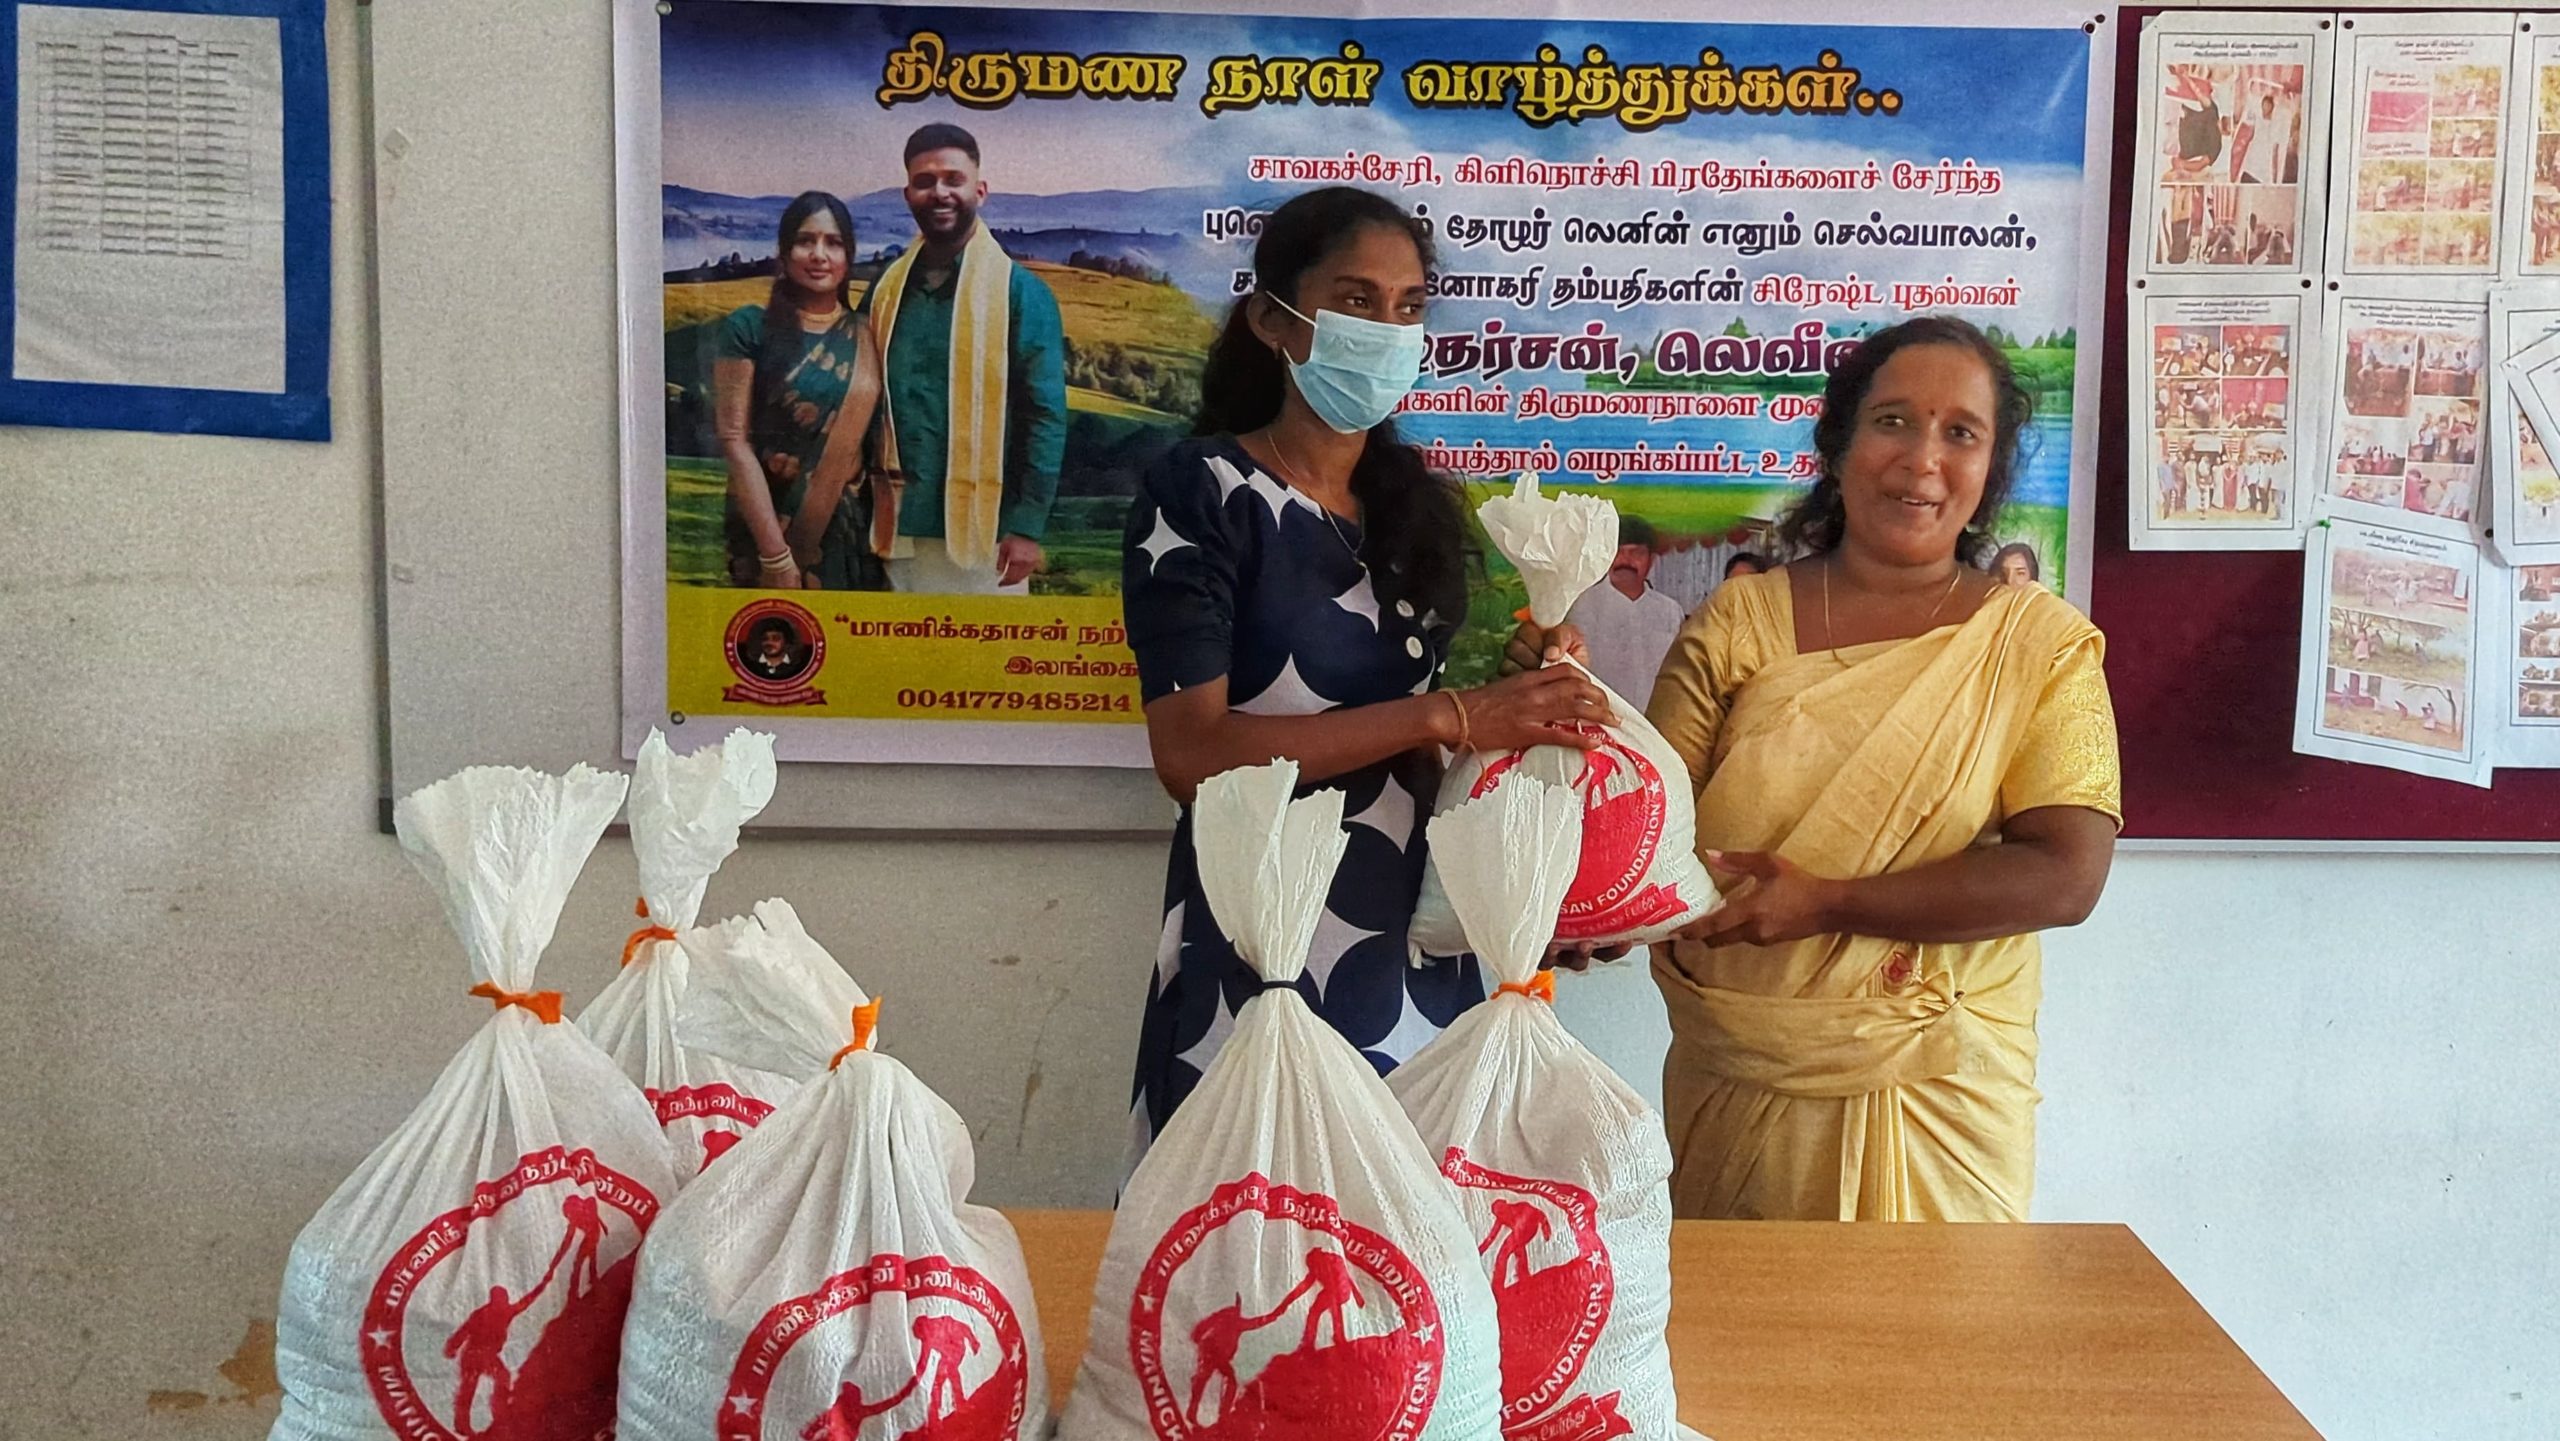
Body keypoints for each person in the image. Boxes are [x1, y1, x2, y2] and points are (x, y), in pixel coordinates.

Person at [1116, 186, 1610, 1158]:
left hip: (1412, 937)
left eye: (1408, 306)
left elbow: (1445, 728)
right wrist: (1449, 714)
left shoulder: (1414, 506)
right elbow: (1192, 758)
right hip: (1263, 933)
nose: (1386, 330)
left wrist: (1519, 686)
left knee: (1406, 1221)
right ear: (1272, 320)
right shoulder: (1204, 489)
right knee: (1252, 1210)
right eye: (1354, 300)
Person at [1642, 316, 2122, 1222]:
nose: (1922, 459)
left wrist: (1828, 903)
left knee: (1941, 1317)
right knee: (1740, 1313)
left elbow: (2068, 875)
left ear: (1989, 470)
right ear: (1839, 444)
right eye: (1893, 421)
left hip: (1944, 1092)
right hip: (1742, 1074)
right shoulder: (1738, 624)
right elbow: (1649, 834)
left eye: (1960, 432)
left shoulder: (2038, 645)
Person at [864, 123, 1068, 595]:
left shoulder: (1021, 293)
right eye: (924, 181)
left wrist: (1027, 526)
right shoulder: (884, 291)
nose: (940, 192)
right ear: (908, 195)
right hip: (895, 529)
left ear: (980, 190)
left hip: (988, 537)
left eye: (953, 179)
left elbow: (1045, 416)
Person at [715, 191, 885, 591]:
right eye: (805, 241)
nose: (819, 255)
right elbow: (734, 440)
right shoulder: (750, 327)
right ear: (784, 252)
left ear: (849, 256)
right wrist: (775, 555)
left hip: (849, 534)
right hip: (767, 529)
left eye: (833, 243)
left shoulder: (868, 334)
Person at [1564, 513, 1687, 704]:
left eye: (1636, 553)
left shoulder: (1670, 611)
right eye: (1617, 552)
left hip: (1658, 716)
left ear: (1651, 560)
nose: (1626, 561)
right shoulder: (1581, 606)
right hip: (1600, 714)